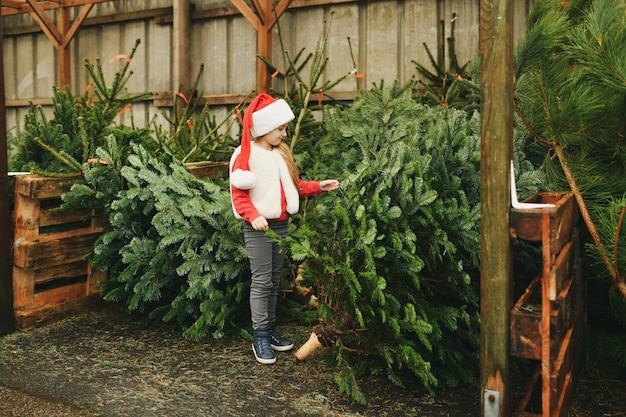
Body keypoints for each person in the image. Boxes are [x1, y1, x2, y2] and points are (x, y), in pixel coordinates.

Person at [229, 93, 339, 364]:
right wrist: (252, 215)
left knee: (275, 280)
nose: (284, 133)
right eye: (280, 128)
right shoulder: (245, 155)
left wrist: (317, 186)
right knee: (262, 280)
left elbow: (294, 185)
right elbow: (238, 194)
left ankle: (270, 328)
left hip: (280, 225)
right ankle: (260, 336)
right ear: (265, 127)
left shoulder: (281, 154)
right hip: (258, 227)